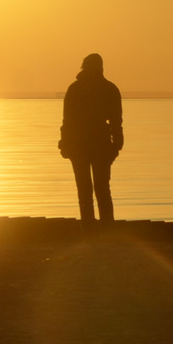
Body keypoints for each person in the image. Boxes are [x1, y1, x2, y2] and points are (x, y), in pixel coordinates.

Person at [58, 53, 124, 226]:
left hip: (84, 145)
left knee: (87, 190)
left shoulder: (76, 89)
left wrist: (65, 143)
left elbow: (67, 121)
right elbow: (116, 121)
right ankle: (104, 229)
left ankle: (90, 229)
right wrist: (116, 144)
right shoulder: (108, 88)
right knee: (101, 189)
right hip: (93, 144)